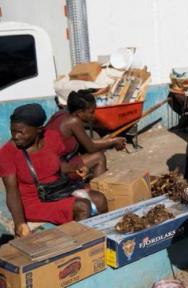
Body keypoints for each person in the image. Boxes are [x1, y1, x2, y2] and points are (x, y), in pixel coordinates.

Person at [0, 104, 107, 236]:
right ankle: (78, 249)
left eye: (20, 132)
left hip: (58, 191)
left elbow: (58, 164)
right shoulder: (7, 153)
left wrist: (75, 168)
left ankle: (99, 238)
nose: (15, 136)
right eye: (13, 131)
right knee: (82, 207)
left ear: (39, 130)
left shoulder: (52, 137)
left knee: (100, 199)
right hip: (34, 202)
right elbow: (12, 192)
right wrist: (20, 223)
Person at [45, 90, 126, 179]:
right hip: (56, 169)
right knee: (99, 157)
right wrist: (113, 142)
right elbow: (91, 147)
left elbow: (87, 141)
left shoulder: (61, 114)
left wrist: (106, 141)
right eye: (91, 112)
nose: (94, 115)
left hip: (52, 163)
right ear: (79, 112)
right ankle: (99, 190)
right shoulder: (73, 121)